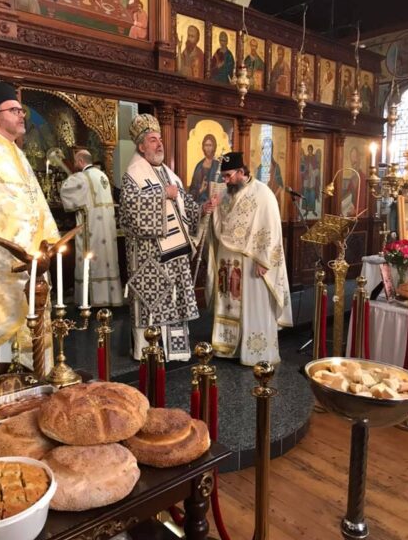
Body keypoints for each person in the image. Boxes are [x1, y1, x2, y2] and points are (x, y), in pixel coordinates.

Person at [0, 82, 60, 368]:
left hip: (32, 260)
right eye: (14, 110)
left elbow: (36, 201)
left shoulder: (16, 152)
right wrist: (24, 244)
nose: (21, 115)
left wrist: (47, 241)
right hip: (3, 264)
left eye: (21, 110)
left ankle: (36, 382)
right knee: (3, 354)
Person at [120, 114, 216, 361]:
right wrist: (162, 194)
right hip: (149, 256)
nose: (159, 144)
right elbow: (130, 211)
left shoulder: (170, 175)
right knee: (152, 302)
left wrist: (202, 209)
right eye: (153, 140)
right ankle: (147, 351)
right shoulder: (133, 175)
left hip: (175, 256)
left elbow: (184, 205)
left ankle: (176, 352)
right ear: (141, 146)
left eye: (160, 139)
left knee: (174, 303)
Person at [208, 151, 292, 366]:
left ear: (241, 172)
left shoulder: (262, 193)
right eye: (223, 176)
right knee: (229, 303)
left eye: (228, 176)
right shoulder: (225, 194)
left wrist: (264, 260)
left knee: (253, 307)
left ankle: (256, 353)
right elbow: (220, 226)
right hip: (228, 261)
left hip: (252, 262)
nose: (225, 181)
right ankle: (231, 349)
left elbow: (272, 227)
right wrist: (212, 209)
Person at [60, 149, 123, 308]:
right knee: (107, 260)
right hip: (106, 229)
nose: (75, 165)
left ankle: (90, 300)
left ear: (81, 161)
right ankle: (109, 297)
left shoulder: (82, 177)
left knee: (91, 260)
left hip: (91, 228)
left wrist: (70, 176)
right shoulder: (103, 176)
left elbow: (65, 190)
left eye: (76, 161)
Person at [189, 134, 220, 204]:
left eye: (210, 145)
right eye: (206, 145)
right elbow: (192, 190)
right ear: (203, 147)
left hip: (215, 203)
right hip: (201, 203)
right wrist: (200, 189)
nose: (208, 148)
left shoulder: (218, 165)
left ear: (214, 147)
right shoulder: (199, 166)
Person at [300, 144, 321, 218]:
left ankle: (313, 210)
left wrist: (313, 172)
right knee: (306, 194)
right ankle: (306, 210)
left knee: (312, 195)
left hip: (312, 179)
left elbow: (318, 169)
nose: (309, 151)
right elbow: (302, 168)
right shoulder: (305, 158)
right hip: (306, 179)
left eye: (310, 149)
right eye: (308, 149)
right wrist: (304, 173)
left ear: (312, 150)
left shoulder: (315, 158)